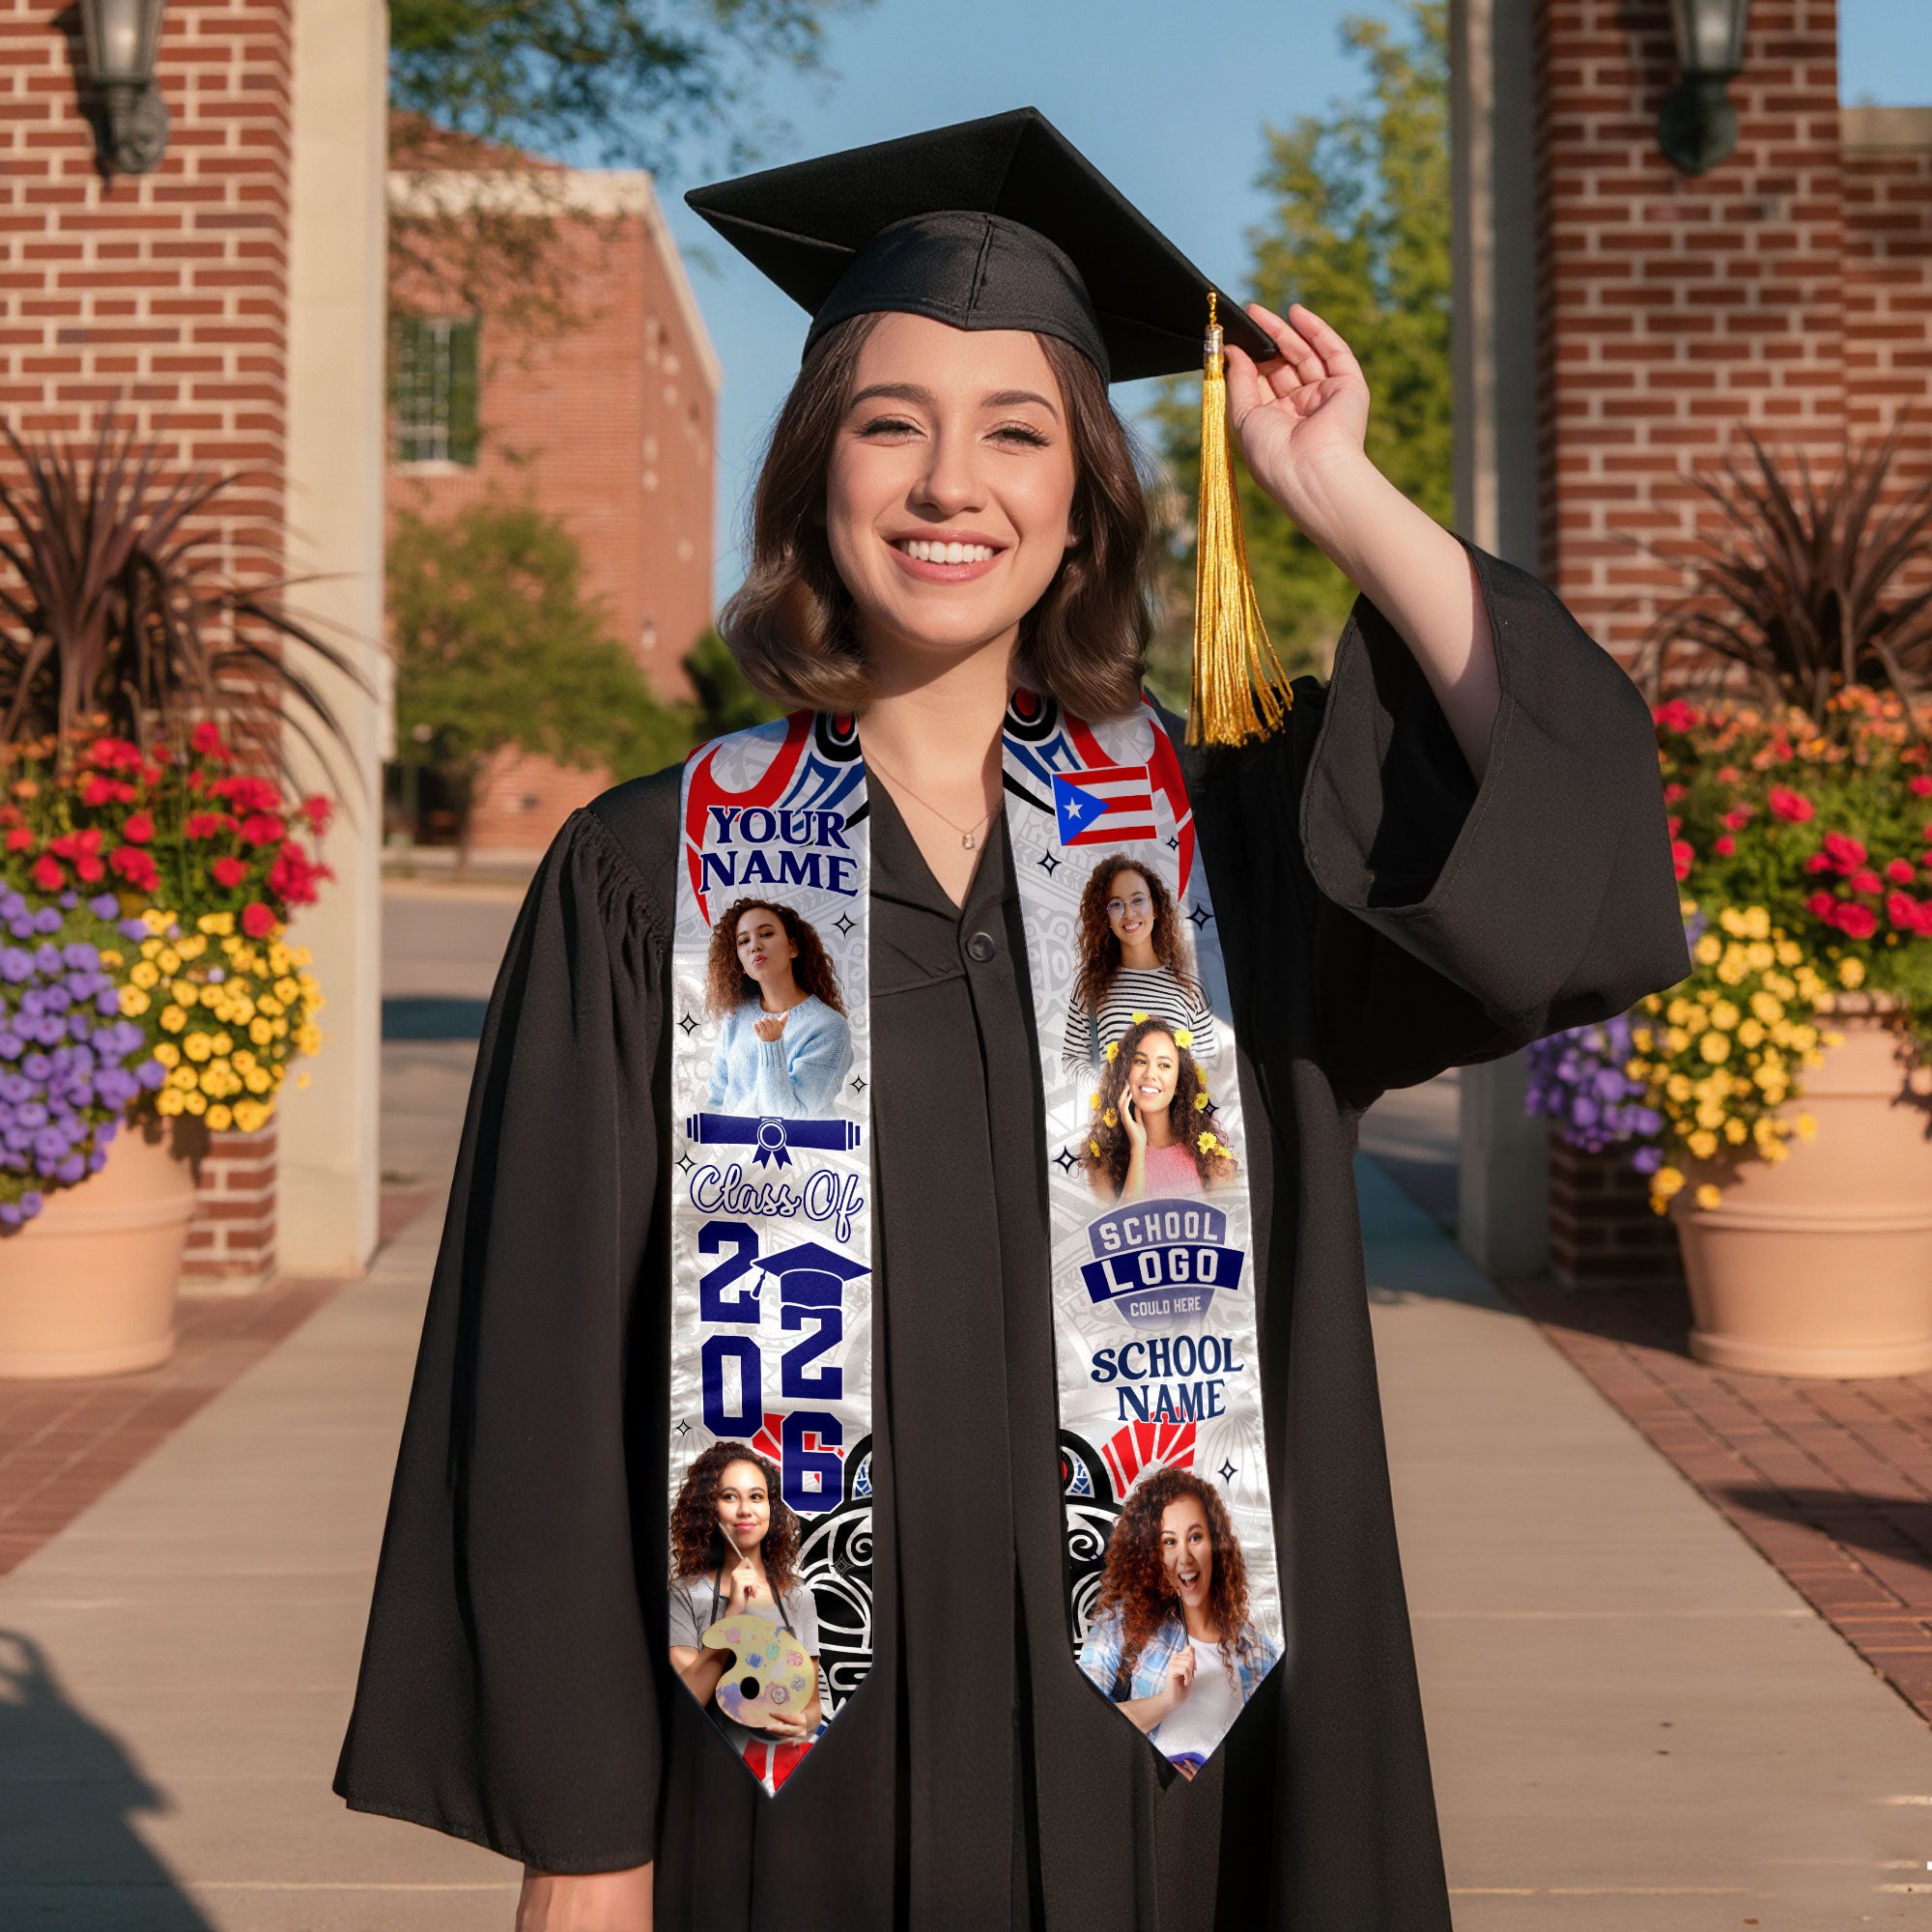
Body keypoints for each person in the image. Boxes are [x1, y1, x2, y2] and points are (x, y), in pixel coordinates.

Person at [334, 109, 1690, 1932]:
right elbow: (549, 1381)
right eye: (892, 424)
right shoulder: (644, 877)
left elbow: (1560, 834)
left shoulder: (1227, 862)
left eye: (1016, 433)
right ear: (818, 471)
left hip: (1175, 1784)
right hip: (782, 1781)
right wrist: (585, 1846)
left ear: (1083, 505)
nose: (947, 483)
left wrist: (1338, 492)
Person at [1076, 1466, 1278, 1781]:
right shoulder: (1122, 1623)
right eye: (1169, 1542)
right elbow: (1080, 1726)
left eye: (1195, 1537)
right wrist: (1167, 1701)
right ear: (1152, 1554)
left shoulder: (1259, 1653)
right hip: (1146, 1803)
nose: (1185, 1558)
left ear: (1216, 1544)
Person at [666, 1443, 825, 1796]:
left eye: (756, 1497)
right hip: (711, 1782)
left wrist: (802, 1725)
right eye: (729, 1496)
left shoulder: (799, 1599)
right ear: (710, 1509)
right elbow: (688, 1701)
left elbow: (812, 1706)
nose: (744, 1510)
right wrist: (733, 1612)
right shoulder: (684, 1595)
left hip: (785, 1781)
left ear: (771, 1508)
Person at [1061, 857, 1218, 1078]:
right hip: (1115, 1112)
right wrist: (1107, 1093)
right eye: (1116, 905)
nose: (1128, 913)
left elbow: (1208, 1065)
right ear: (1105, 918)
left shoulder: (1191, 986)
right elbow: (1072, 1057)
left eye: (1137, 900)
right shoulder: (1091, 983)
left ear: (1155, 907)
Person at [702, 896, 853, 1117]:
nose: (755, 946)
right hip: (732, 1149)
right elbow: (716, 1102)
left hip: (801, 1150)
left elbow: (788, 1117)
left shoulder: (829, 1027)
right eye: (744, 941)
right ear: (740, 964)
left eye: (766, 934)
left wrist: (772, 1045)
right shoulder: (735, 1017)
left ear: (793, 947)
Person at [1081, 1017, 1234, 1203]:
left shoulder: (1213, 1162)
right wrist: (1138, 1149)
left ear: (1179, 1083)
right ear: (1124, 1074)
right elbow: (1121, 1226)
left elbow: (1231, 1227)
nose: (1150, 1074)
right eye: (1140, 1061)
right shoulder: (1100, 1165)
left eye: (1164, 1065)